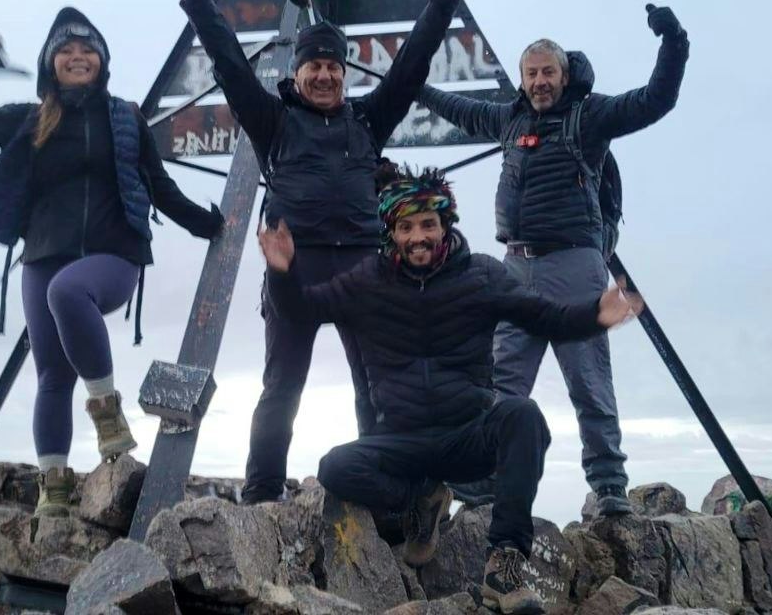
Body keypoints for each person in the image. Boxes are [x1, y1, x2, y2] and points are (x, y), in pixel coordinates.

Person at [168, 0, 473, 504]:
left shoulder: (368, 120)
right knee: (282, 386)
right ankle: (261, 495)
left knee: (377, 387)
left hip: (363, 266)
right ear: (299, 72)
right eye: (315, 67)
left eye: (334, 66)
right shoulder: (273, 122)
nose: (327, 76)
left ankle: (388, 493)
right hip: (296, 266)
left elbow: (409, 69)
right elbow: (231, 66)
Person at [258, 164, 641, 612]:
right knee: (336, 467)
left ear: (445, 226)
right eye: (406, 227)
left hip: (467, 432)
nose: (417, 236)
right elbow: (303, 310)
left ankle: (506, 566)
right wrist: (282, 272)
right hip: (399, 440)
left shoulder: (481, 274)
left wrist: (595, 314)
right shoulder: (367, 280)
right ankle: (420, 503)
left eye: (427, 224)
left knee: (523, 416)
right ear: (391, 232)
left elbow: (545, 316)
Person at [0, 7, 223, 517]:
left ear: (102, 61)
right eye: (66, 51)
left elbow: (158, 186)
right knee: (52, 375)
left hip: (113, 255)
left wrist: (207, 224)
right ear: (51, 63)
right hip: (43, 258)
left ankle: (107, 413)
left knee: (67, 293)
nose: (77, 57)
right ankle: (53, 487)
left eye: (86, 50)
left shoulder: (125, 117)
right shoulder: (33, 121)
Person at [419, 4, 689, 515]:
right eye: (532, 73)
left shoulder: (589, 118)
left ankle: (609, 485)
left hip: (574, 266)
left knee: (588, 379)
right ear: (522, 80)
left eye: (549, 72)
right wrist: (412, 80)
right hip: (515, 268)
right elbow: (455, 108)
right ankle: (482, 479)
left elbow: (655, 100)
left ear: (564, 77)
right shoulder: (509, 118)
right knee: (499, 381)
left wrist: (672, 41)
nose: (540, 82)